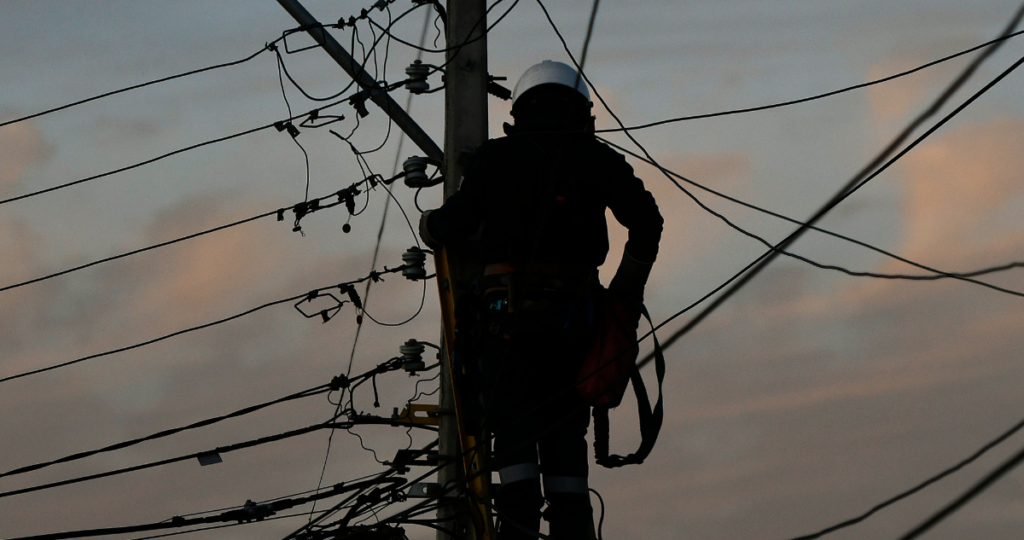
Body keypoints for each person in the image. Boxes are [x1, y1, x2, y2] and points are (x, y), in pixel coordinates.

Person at [419, 60, 663, 540]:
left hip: (505, 326)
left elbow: (452, 225)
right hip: (576, 327)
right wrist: (626, 289)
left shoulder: (495, 157)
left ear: (520, 111)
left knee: (514, 446)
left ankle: (518, 524)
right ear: (583, 113)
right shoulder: (599, 159)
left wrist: (429, 225)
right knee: (566, 448)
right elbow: (647, 223)